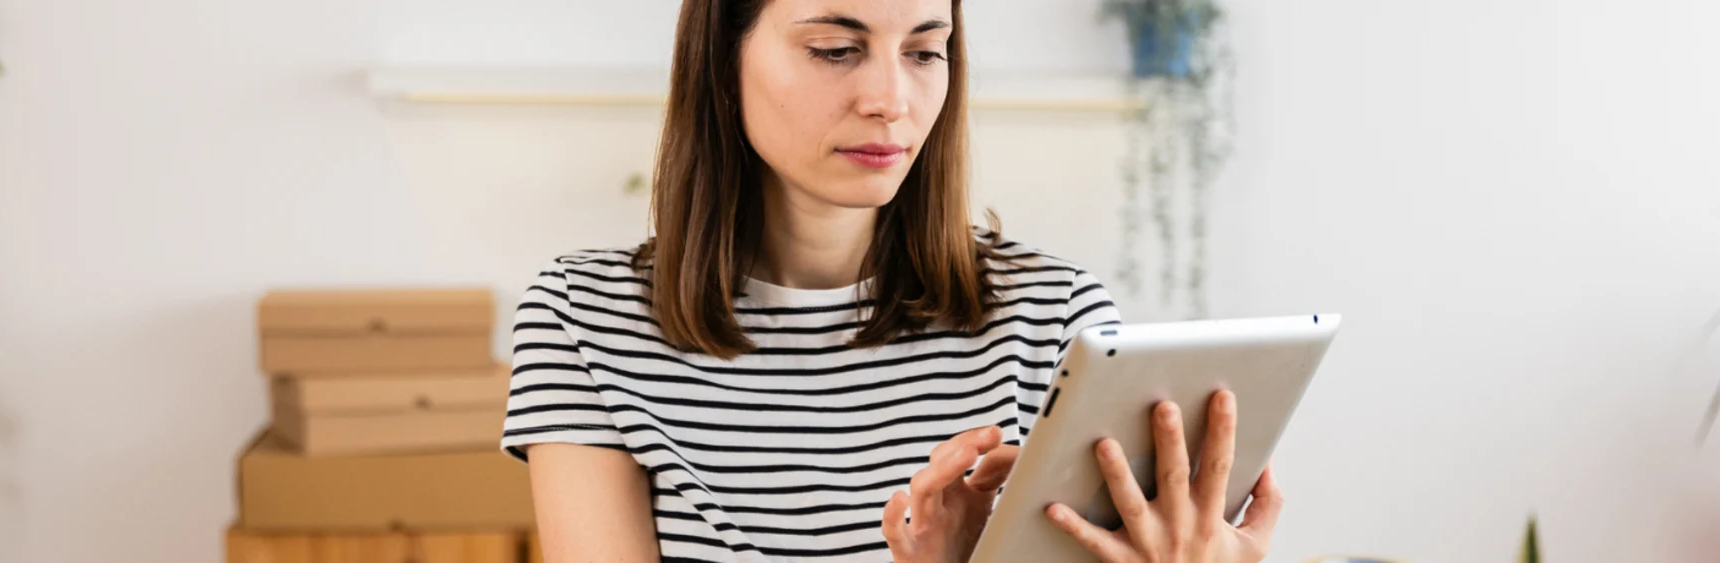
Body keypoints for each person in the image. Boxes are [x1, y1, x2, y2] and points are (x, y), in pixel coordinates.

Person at [499, 1, 1284, 561]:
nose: (891, 101)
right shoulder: (583, 322)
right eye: (836, 50)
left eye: (923, 51)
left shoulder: (1055, 317)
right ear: (721, 55)